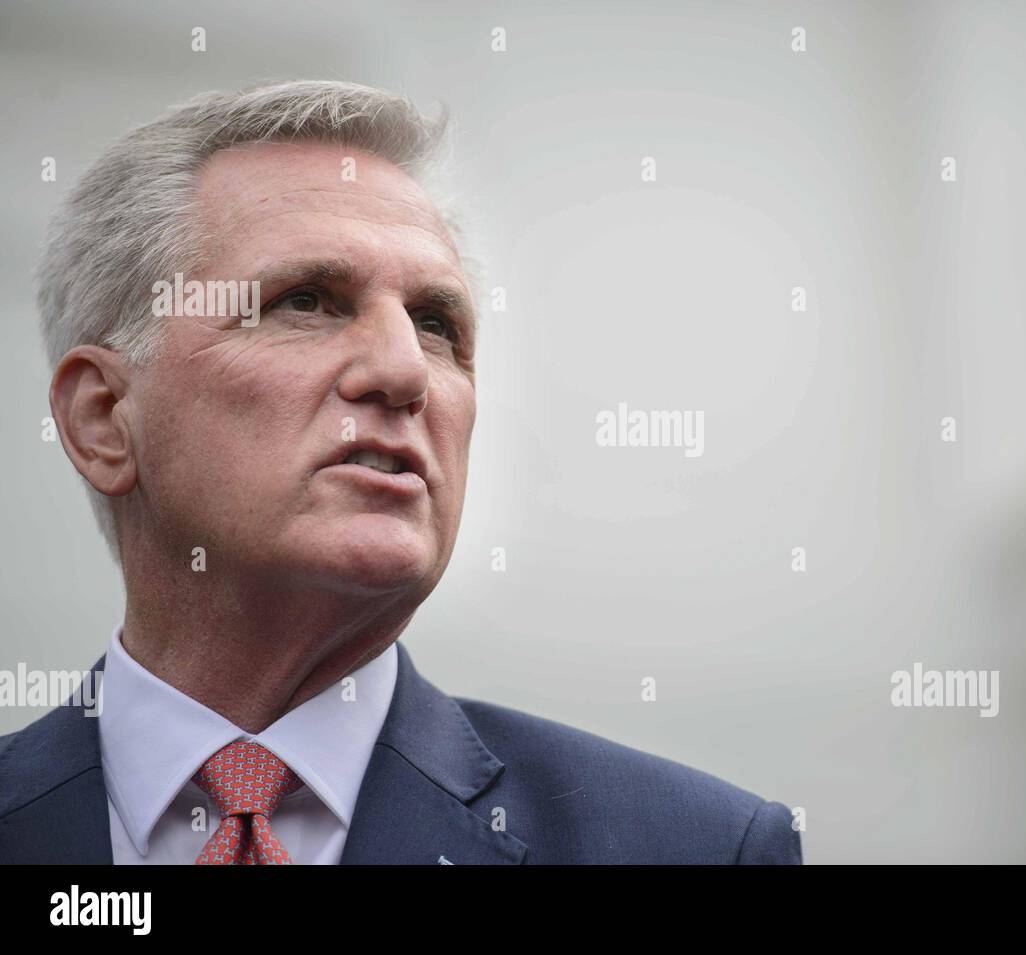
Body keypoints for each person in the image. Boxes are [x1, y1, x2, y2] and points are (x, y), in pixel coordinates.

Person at [0, 80, 802, 865]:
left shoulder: (696, 845)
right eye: (306, 301)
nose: (404, 370)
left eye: (436, 324)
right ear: (103, 418)